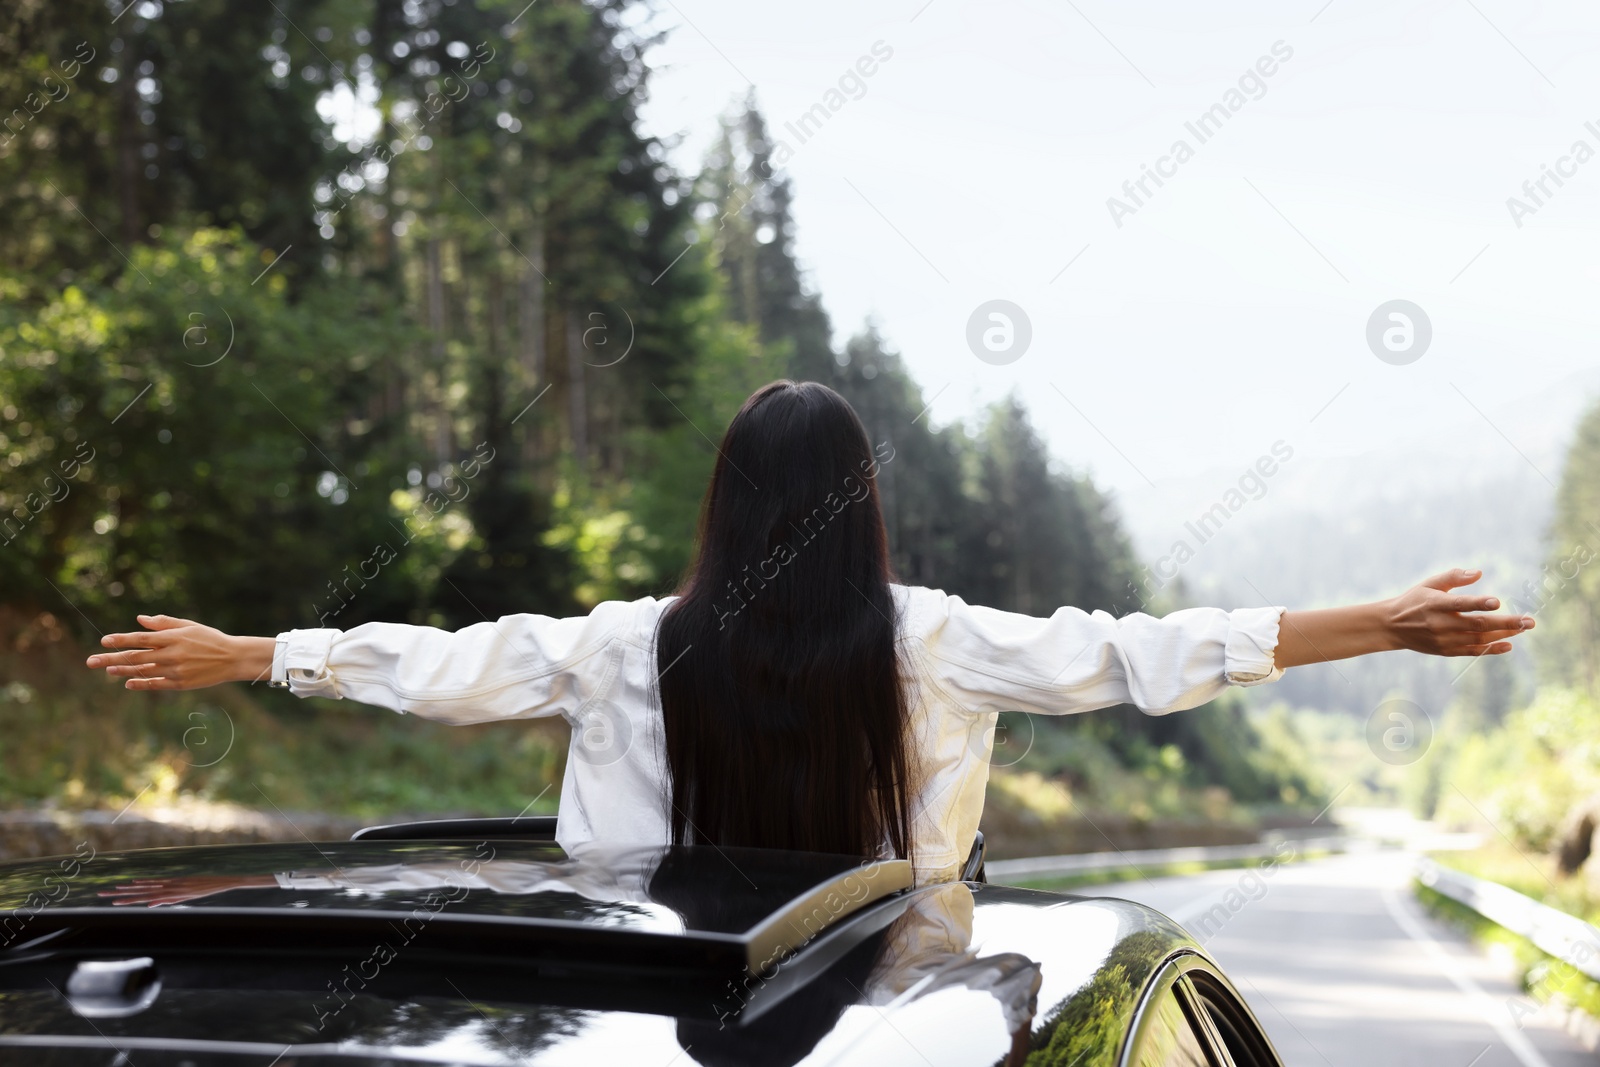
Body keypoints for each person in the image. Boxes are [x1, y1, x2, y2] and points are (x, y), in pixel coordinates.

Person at [84, 380, 1534, 883]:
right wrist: (1380, 628)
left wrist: (256, 653)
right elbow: (1136, 654)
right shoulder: (936, 641)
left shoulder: (620, 645)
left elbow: (447, 667)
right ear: (860, 509)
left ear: (722, 506)